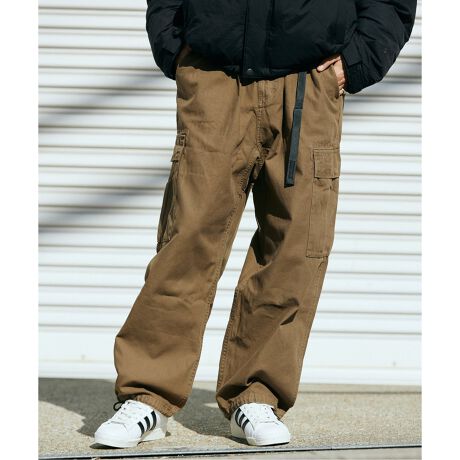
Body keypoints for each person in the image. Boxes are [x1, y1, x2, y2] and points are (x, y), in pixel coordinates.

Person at [94, 0, 417, 448]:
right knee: (187, 238)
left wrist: (359, 57)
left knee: (294, 245)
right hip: (214, 72)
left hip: (310, 78)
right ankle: (147, 394)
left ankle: (257, 393)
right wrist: (174, 45)